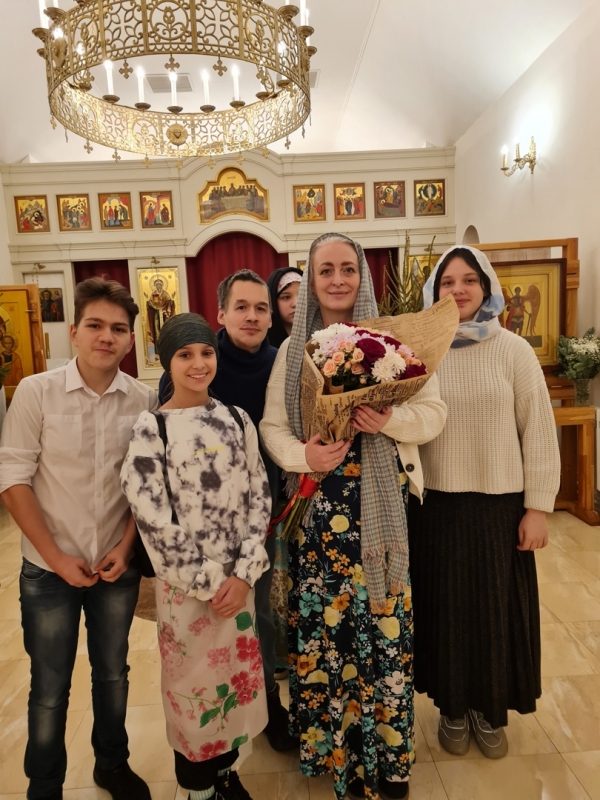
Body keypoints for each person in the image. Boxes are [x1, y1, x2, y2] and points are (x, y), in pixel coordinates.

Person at [260, 232, 447, 800]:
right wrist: (305, 456)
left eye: (348, 268)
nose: (337, 279)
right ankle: (334, 753)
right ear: (311, 279)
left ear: (362, 275)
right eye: (326, 270)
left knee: (383, 633)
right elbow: (272, 429)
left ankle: (388, 763)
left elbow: (434, 414)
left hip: (379, 519)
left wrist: (389, 421)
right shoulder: (293, 353)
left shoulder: (393, 342)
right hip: (318, 519)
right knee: (328, 636)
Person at [0, 277, 156, 800]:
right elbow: (13, 478)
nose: (106, 336)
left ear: (130, 339)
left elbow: (146, 486)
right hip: (49, 570)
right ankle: (44, 785)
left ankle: (112, 764)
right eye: (95, 325)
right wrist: (55, 556)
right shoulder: (36, 392)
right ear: (73, 332)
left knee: (112, 674)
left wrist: (126, 546)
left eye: (118, 328)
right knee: (49, 686)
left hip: (115, 566)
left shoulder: (144, 399)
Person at [408, 245, 560, 760]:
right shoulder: (421, 353)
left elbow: (538, 429)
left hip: (499, 505)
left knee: (494, 612)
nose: (459, 290)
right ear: (434, 292)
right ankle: (452, 708)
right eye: (447, 282)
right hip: (435, 505)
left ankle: (489, 710)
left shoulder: (513, 350)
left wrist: (537, 507)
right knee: (447, 610)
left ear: (487, 286)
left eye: (469, 280)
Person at [121, 312, 271, 800]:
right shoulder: (152, 429)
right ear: (168, 361)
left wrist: (244, 575)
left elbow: (259, 495)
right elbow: (153, 521)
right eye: (185, 355)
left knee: (234, 689)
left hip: (239, 588)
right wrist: (210, 582)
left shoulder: (237, 419)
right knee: (194, 695)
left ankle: (226, 774)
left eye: (206, 352)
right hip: (188, 595)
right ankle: (198, 788)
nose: (199, 363)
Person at [158, 270, 299, 753]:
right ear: (221, 313)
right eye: (241, 307)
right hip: (200, 529)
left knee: (260, 610)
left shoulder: (282, 362)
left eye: (261, 308)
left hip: (264, 506)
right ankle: (217, 720)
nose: (252, 316)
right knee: (209, 621)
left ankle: (266, 705)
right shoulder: (196, 359)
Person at [266, 267, 303, 348]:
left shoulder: (320, 337)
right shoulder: (264, 345)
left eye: (301, 295)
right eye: (286, 297)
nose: (296, 303)